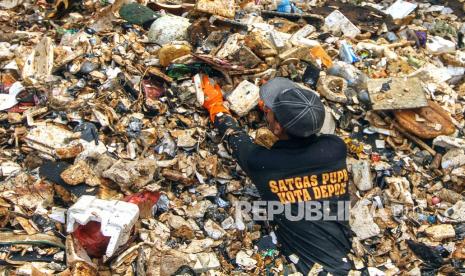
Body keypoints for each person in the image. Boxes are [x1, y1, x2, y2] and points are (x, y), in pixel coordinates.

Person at [201, 76, 353, 275]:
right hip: (345, 258)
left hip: (311, 269)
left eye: (271, 113)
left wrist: (215, 106)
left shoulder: (263, 163)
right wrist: (280, 111)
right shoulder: (336, 148)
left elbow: (234, 137)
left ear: (278, 127)